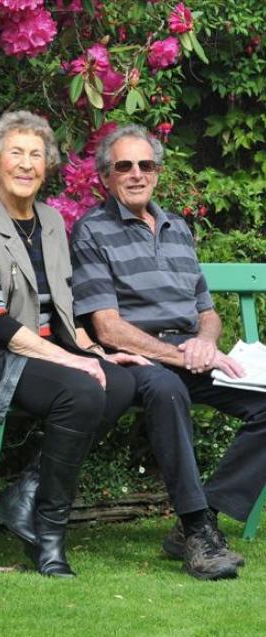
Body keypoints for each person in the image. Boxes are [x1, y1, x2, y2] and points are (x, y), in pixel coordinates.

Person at [0, 111, 144, 578]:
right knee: (82, 390)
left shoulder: (49, 222)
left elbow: (59, 310)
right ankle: (49, 535)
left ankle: (25, 493)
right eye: (16, 154)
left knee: (122, 382)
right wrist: (71, 362)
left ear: (47, 168)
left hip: (34, 351)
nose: (26, 165)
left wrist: (93, 352)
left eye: (36, 156)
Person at [71, 123, 266, 581]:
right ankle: (199, 532)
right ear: (105, 176)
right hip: (137, 359)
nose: (137, 173)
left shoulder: (178, 227)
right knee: (167, 389)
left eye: (146, 164)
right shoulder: (91, 231)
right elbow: (108, 327)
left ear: (158, 172)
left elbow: (207, 311)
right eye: (125, 165)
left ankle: (203, 517)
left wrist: (205, 342)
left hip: (190, 353)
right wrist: (181, 356)